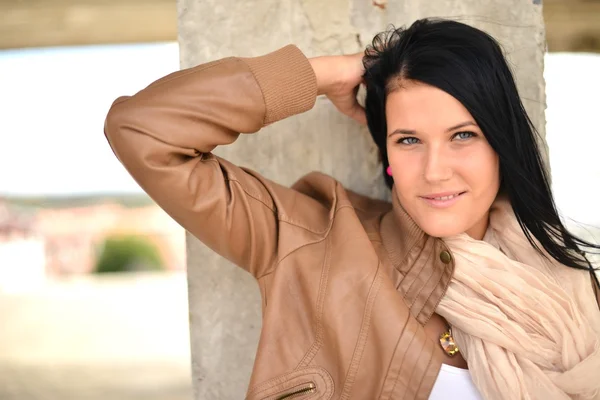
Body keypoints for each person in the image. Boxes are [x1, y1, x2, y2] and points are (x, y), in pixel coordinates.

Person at [104, 18, 600, 400]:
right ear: (386, 156)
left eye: (462, 135)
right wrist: (322, 75)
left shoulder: (570, 280)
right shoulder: (314, 245)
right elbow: (143, 129)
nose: (434, 170)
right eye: (408, 140)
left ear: (501, 144)